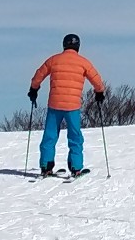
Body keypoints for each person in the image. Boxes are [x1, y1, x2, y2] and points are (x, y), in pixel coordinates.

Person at [28, 33, 107, 178]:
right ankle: (76, 168)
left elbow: (39, 75)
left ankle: (46, 166)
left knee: (50, 136)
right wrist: (99, 92)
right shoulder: (83, 62)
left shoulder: (54, 60)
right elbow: (96, 79)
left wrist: (34, 89)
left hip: (54, 105)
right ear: (78, 46)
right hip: (73, 107)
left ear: (64, 45)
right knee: (75, 137)